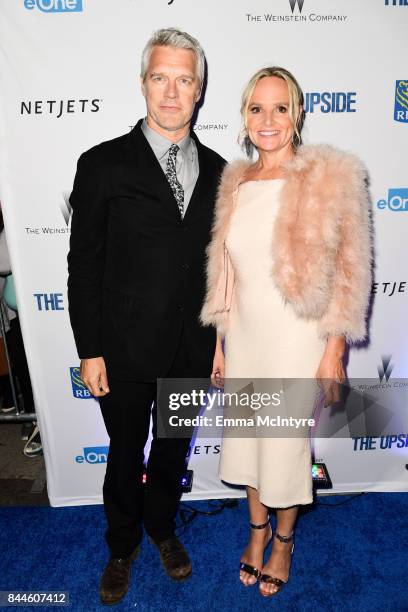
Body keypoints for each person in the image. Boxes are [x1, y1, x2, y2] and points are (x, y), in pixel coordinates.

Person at [67, 28, 225, 605]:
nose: (171, 91)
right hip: (124, 348)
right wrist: (90, 348)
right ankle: (121, 544)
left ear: (199, 90)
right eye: (160, 77)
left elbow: (221, 269)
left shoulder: (220, 171)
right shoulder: (102, 164)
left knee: (173, 449)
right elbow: (83, 265)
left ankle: (162, 528)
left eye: (184, 79)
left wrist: (222, 345)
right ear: (143, 84)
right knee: (125, 451)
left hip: (192, 347)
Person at [200, 67, 372, 597]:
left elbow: (350, 268)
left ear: (297, 113)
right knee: (251, 442)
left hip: (300, 337)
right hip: (247, 335)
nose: (267, 120)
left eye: (279, 108)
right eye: (256, 108)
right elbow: (223, 271)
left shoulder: (331, 176)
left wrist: (336, 348)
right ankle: (256, 533)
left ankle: (284, 542)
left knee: (285, 446)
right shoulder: (234, 182)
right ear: (244, 117)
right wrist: (221, 340)